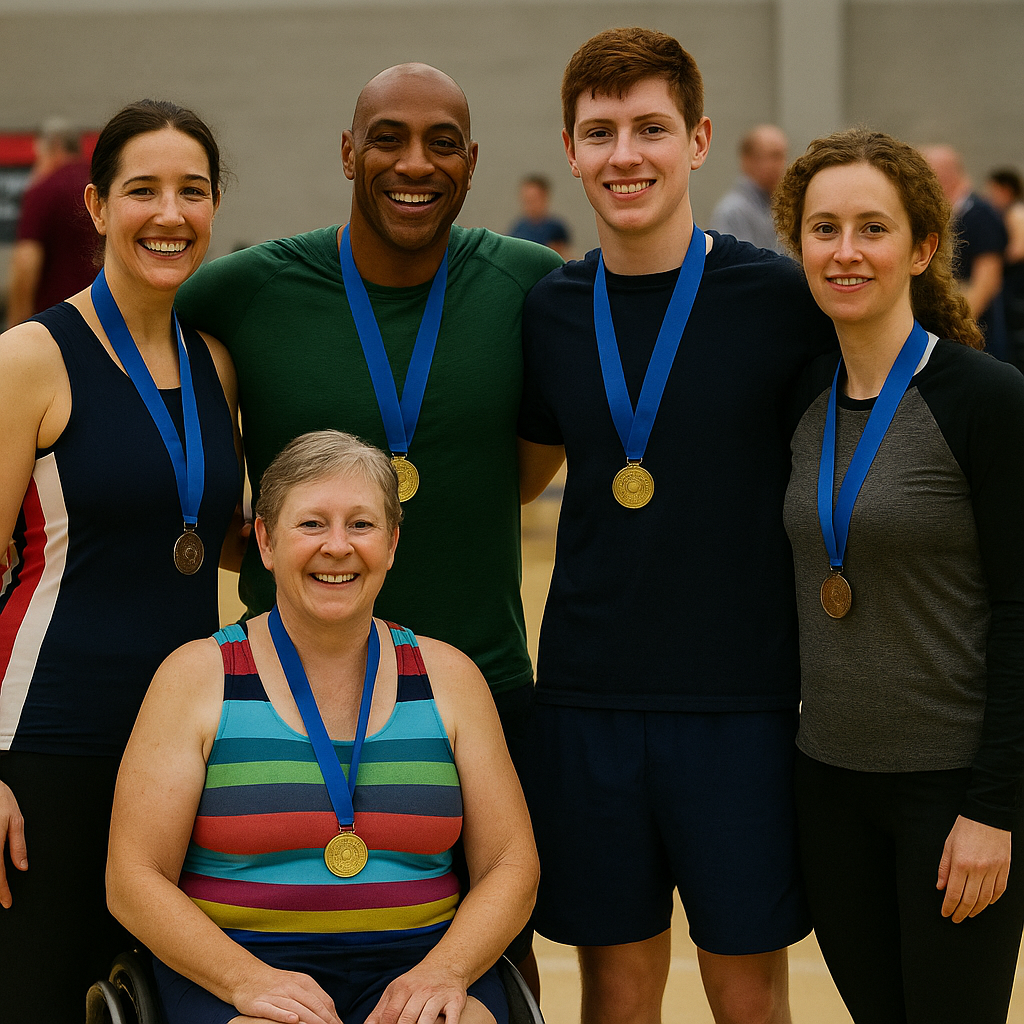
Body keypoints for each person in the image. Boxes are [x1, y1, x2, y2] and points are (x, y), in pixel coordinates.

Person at [516, 27, 834, 1024]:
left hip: (742, 700)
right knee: (615, 992)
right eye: (599, 132)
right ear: (569, 149)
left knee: (746, 991)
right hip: (588, 695)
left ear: (697, 140)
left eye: (650, 127)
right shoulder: (549, 312)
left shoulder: (782, 301)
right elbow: (520, 477)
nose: (625, 155)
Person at [174, 62, 561, 751]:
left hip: (481, 691)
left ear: (471, 163)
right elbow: (108, 341)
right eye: (387, 139)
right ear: (349, 153)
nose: (415, 164)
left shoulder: (529, 286)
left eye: (442, 143)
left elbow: (522, 480)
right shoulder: (247, 291)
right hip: (282, 695)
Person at [106, 430, 538, 1024]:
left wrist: (448, 970)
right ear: (264, 540)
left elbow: (512, 864)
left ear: (392, 543)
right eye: (311, 524)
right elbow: (133, 880)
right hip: (236, 964)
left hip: (421, 962)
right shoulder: (196, 677)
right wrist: (245, 980)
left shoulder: (451, 677)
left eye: (361, 525)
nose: (338, 547)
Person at [774, 128, 1024, 1023]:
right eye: (823, 228)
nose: (845, 252)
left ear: (921, 248)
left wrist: (996, 811)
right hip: (829, 787)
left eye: (872, 229)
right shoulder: (799, 397)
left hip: (953, 793)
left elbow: (1020, 611)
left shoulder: (987, 400)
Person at [0, 99, 241, 1021]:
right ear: (98, 206)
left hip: (187, 750)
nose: (169, 214)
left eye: (192, 191)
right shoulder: (32, 357)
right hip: (45, 744)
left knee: (151, 1007)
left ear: (216, 205)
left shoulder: (216, 365)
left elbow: (200, 530)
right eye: (143, 191)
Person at [5, 117, 97, 329]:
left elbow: (25, 263)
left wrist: (16, 328)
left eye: (38, 155)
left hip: (56, 320)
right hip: (105, 314)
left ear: (54, 146)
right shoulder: (99, 184)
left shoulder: (45, 189)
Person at [921, 144, 1009, 360]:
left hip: (977, 338)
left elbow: (987, 282)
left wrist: (952, 329)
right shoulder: (950, 213)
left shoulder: (980, 214)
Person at [709, 124, 788, 253]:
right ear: (748, 160)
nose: (782, 164)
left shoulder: (775, 206)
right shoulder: (732, 212)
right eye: (774, 156)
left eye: (783, 156)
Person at [986, 167, 1024, 370]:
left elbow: (1018, 249)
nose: (990, 197)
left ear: (1005, 190)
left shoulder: (1015, 212)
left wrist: (993, 260)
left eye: (993, 192)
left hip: (1016, 285)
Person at [508, 175, 571, 257]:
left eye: (534, 200)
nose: (530, 205)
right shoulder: (518, 227)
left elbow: (558, 258)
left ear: (545, 198)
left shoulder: (554, 228)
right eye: (527, 200)